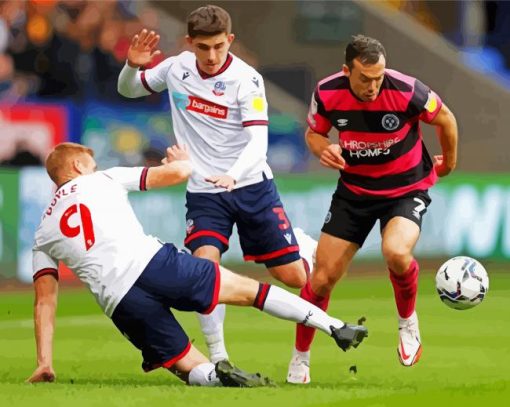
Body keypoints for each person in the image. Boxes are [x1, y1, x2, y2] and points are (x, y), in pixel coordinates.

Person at [27, 142, 368, 386]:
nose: (96, 167)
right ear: (77, 167)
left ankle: (216, 375)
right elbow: (176, 173)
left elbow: (45, 301)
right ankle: (332, 325)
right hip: (153, 264)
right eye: (92, 162)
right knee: (249, 291)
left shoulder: (43, 231)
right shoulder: (103, 179)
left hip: (120, 302)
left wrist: (45, 363)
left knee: (186, 365)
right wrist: (182, 159)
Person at [117, 4, 317, 364]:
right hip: (204, 192)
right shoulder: (176, 67)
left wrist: (233, 175)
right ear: (189, 42)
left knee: (294, 277)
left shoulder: (247, 80)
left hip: (251, 185)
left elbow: (258, 144)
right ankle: (220, 357)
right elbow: (129, 90)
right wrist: (132, 65)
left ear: (231, 41)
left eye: (219, 47)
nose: (211, 56)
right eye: (203, 47)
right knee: (203, 272)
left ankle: (302, 243)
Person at [287, 34, 458, 384]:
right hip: (354, 191)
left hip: (406, 188)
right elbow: (314, 133)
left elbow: (447, 120)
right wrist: (322, 148)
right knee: (321, 278)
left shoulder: (409, 90)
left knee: (396, 252)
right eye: (365, 78)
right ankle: (300, 359)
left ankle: (408, 322)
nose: (373, 86)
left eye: (378, 77)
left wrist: (448, 165)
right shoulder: (327, 92)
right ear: (346, 70)